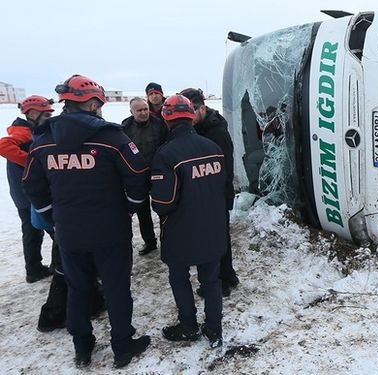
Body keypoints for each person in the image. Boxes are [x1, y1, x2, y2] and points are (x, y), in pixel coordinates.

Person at [22, 74, 150, 369]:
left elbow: (32, 184)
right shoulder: (111, 136)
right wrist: (130, 208)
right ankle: (122, 345)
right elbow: (137, 175)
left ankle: (82, 346)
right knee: (117, 288)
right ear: (92, 104)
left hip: (69, 232)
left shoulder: (43, 140)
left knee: (78, 288)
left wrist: (52, 216)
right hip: (110, 230)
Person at [150, 94, 225, 346]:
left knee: (179, 278)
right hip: (213, 227)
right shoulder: (213, 148)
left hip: (181, 230)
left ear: (167, 120)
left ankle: (188, 325)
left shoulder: (166, 154)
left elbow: (163, 203)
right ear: (191, 117)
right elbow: (222, 187)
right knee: (211, 280)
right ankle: (214, 328)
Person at [180, 88, 239, 297]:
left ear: (202, 108)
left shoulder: (216, 132)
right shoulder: (199, 128)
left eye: (192, 110)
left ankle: (222, 282)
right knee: (219, 237)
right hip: (210, 195)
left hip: (217, 195)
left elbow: (225, 170)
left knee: (217, 240)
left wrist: (216, 196)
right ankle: (228, 275)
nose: (188, 115)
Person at [0, 95, 55, 283]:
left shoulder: (29, 130)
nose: (49, 118)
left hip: (24, 192)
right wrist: (33, 162)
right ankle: (47, 267)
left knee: (33, 230)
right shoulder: (23, 132)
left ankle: (34, 268)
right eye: (46, 114)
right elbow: (3, 145)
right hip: (28, 194)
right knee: (53, 230)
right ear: (31, 113)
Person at [122, 97, 168, 255]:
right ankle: (150, 242)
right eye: (139, 110)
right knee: (142, 211)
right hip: (137, 176)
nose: (143, 113)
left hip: (158, 173)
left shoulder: (159, 124)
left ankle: (167, 239)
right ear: (131, 112)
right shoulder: (125, 127)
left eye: (145, 109)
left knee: (163, 208)